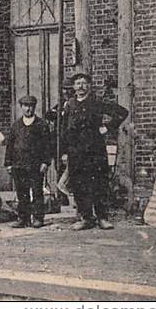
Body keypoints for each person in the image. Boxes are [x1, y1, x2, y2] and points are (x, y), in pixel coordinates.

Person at [58, 72, 128, 231]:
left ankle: (102, 218)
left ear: (89, 86)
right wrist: (64, 152)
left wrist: (107, 127)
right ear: (73, 87)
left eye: (84, 83)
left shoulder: (96, 102)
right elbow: (64, 130)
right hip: (76, 151)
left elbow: (122, 112)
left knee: (99, 184)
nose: (81, 86)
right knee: (79, 184)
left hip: (95, 150)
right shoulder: (69, 105)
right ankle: (85, 218)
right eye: (78, 83)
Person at [4, 95, 53, 228]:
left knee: (37, 191)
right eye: (25, 106)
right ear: (21, 108)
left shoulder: (41, 124)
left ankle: (38, 218)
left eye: (31, 106)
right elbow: (10, 145)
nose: (28, 109)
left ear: (34, 107)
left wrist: (45, 162)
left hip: (35, 165)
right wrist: (8, 163)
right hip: (19, 164)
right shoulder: (16, 125)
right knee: (22, 193)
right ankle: (23, 218)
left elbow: (47, 145)